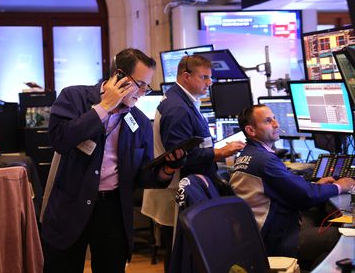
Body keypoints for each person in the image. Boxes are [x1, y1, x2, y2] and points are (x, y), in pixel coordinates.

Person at [40, 48, 185, 273]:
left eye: (148, 86)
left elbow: (141, 175)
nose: (145, 92)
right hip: (71, 204)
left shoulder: (139, 121)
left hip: (113, 210)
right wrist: (104, 107)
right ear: (119, 77)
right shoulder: (74, 97)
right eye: (141, 84)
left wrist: (168, 167)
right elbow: (61, 140)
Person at [141, 54, 245, 272]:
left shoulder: (183, 100)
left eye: (210, 78)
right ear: (186, 76)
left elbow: (193, 143)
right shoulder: (177, 108)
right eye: (204, 77)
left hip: (185, 186)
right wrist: (220, 152)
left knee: (182, 249)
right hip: (176, 189)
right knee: (178, 252)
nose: (210, 83)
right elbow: (180, 156)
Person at [230, 104, 355, 268]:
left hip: (266, 231)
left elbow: (289, 189)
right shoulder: (264, 161)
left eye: (274, 118)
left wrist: (314, 185)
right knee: (341, 237)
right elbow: (305, 196)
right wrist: (340, 186)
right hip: (274, 239)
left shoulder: (250, 155)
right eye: (268, 121)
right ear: (251, 131)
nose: (276, 124)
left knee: (317, 215)